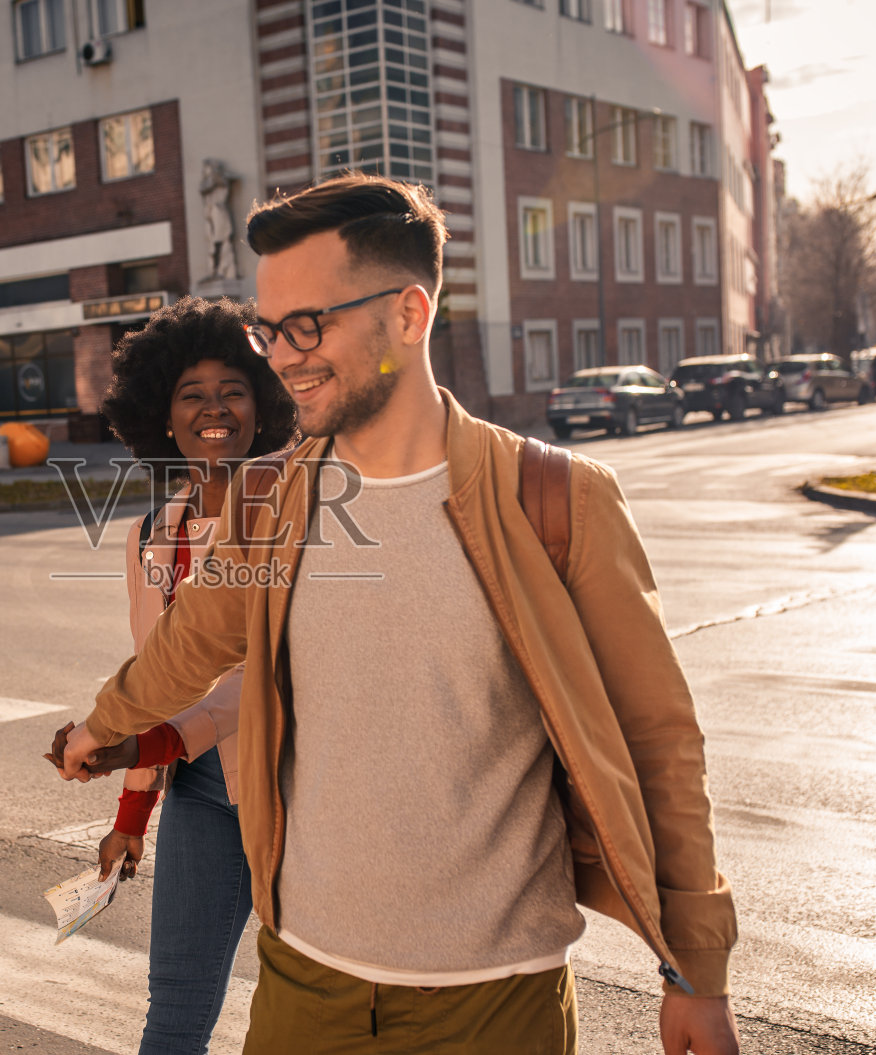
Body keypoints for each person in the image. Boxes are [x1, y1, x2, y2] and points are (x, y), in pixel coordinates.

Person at [52, 174, 740, 1055]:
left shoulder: (555, 499)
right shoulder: (268, 501)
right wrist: (102, 726)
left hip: (495, 1002)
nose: (284, 356)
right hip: (305, 984)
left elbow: (659, 742)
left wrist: (695, 969)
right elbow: (188, 648)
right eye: (271, 330)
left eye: (310, 325)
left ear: (409, 315)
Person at [56, 297, 297, 1054]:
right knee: (174, 1015)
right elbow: (161, 672)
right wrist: (130, 819)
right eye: (192, 394)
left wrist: (146, 741)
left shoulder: (295, 515)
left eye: (234, 389)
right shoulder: (151, 535)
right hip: (199, 795)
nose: (214, 408)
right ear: (164, 416)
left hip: (298, 789)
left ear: (267, 406)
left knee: (308, 1018)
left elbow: (257, 670)